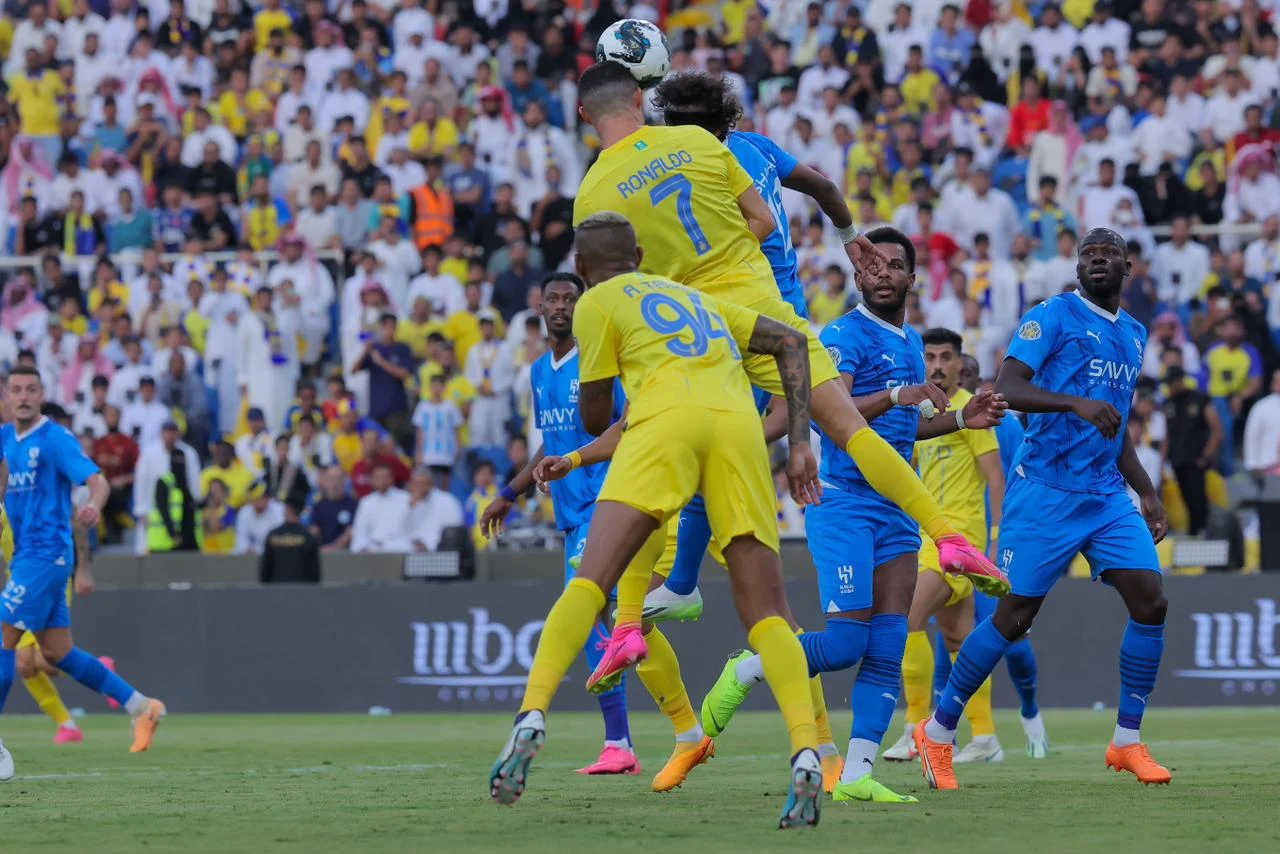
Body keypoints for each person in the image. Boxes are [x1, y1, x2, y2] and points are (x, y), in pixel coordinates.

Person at [570, 61, 1002, 677]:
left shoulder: (592, 193)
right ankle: (949, 536)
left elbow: (619, 277)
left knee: (653, 459)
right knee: (851, 427)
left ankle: (631, 621)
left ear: (586, 115)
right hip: (768, 310)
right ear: (642, 99)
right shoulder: (703, 145)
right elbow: (770, 220)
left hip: (689, 329)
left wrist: (677, 278)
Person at [490, 212, 827, 828]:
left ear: (584, 268)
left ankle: (532, 715)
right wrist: (800, 441)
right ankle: (805, 749)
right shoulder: (697, 300)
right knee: (769, 615)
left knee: (590, 583)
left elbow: (597, 417)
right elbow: (792, 342)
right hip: (737, 433)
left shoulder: (597, 304)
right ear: (640, 255)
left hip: (661, 427)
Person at [698, 229, 1007, 805]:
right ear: (860, 275)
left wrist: (966, 421)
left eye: (896, 265)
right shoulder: (842, 335)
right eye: (875, 264)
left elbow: (903, 427)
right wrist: (898, 394)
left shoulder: (912, 342)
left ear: (913, 279)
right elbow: (830, 410)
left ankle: (860, 772)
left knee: (889, 641)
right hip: (844, 503)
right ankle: (748, 668)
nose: (884, 272)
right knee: (843, 645)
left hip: (895, 509)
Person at [913, 228, 1172, 790]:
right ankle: (936, 734)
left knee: (1151, 601)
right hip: (1045, 490)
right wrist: (1076, 403)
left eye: (1108, 254)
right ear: (1078, 266)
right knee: (1013, 618)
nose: (1097, 260)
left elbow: (1116, 421)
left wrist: (1146, 491)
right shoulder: (1051, 316)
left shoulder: (1133, 333)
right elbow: (1008, 386)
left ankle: (1127, 741)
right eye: (1088, 253)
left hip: (1105, 494)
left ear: (1128, 266)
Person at [480, 273, 641, 778]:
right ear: (539, 306)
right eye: (553, 298)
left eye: (570, 298)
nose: (560, 306)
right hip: (570, 517)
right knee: (616, 629)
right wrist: (510, 492)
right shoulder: (537, 373)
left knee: (593, 619)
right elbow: (551, 443)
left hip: (607, 503)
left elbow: (630, 423)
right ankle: (656, 736)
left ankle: (613, 740)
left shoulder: (598, 363)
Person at [0, 366, 166, 780]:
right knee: (58, 652)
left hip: (47, 555)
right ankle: (141, 707)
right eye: (16, 389)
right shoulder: (5, 439)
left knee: (3, 637)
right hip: (26, 558)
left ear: (41, 394)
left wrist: (94, 502)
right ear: (7, 395)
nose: (23, 396)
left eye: (31, 390)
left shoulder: (54, 438)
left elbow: (96, 480)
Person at [884, 328, 1016, 766]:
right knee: (959, 637)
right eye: (931, 356)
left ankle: (915, 727)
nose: (938, 364)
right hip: (929, 536)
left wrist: (996, 541)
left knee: (906, 621)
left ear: (961, 364)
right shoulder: (923, 414)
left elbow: (995, 477)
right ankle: (986, 738)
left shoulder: (968, 409)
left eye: (946, 356)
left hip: (957, 540)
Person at [259, 501, 321, 584]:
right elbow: (314, 573)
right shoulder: (308, 537)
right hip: (302, 592)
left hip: (276, 591)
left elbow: (265, 570)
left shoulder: (273, 535)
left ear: (287, 510)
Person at [234, 482, 286, 556]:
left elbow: (280, 538)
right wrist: (247, 548)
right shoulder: (244, 511)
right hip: (251, 554)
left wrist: (258, 550)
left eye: (263, 497)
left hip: (275, 553)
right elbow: (241, 538)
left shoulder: (280, 510)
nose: (260, 501)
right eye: (257, 498)